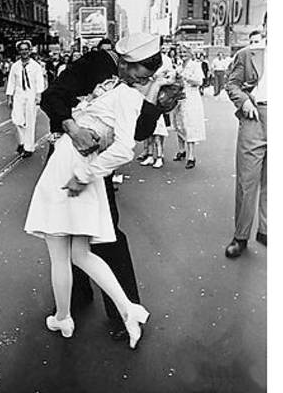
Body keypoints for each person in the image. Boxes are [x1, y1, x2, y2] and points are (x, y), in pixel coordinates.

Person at [39, 33, 182, 343]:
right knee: (65, 232)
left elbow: (141, 131)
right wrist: (73, 129)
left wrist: (151, 95)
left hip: (97, 164)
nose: (139, 78)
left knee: (106, 233)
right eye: (137, 72)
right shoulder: (95, 63)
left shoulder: (142, 84)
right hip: (68, 151)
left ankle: (122, 312)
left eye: (147, 74)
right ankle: (74, 298)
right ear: (125, 61)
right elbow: (52, 97)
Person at [224, 20, 267, 258]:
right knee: (247, 181)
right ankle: (240, 237)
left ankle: (266, 230)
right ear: (265, 26)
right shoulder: (249, 54)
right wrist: (244, 101)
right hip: (255, 117)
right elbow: (232, 84)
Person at [137, 45, 175, 169]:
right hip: (146, 95)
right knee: (148, 129)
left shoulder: (166, 61)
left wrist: (160, 80)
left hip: (159, 98)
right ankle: (149, 154)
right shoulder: (145, 60)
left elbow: (170, 78)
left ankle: (159, 156)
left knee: (158, 130)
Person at [6, 40, 45, 158]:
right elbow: (11, 82)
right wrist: (9, 97)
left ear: (30, 51)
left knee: (29, 121)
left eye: (26, 49)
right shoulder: (15, 66)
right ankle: (22, 142)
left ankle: (28, 147)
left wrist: (39, 95)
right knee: (17, 120)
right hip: (18, 95)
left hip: (31, 95)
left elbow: (39, 81)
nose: (24, 52)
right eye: (21, 49)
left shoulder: (36, 66)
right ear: (19, 51)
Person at [171, 45, 206, 169]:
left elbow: (199, 82)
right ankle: (181, 150)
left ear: (190, 53)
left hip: (191, 99)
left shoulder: (195, 65)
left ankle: (191, 156)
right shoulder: (179, 66)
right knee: (179, 125)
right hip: (179, 98)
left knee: (189, 125)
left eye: (185, 52)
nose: (182, 54)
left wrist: (185, 77)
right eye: (180, 52)